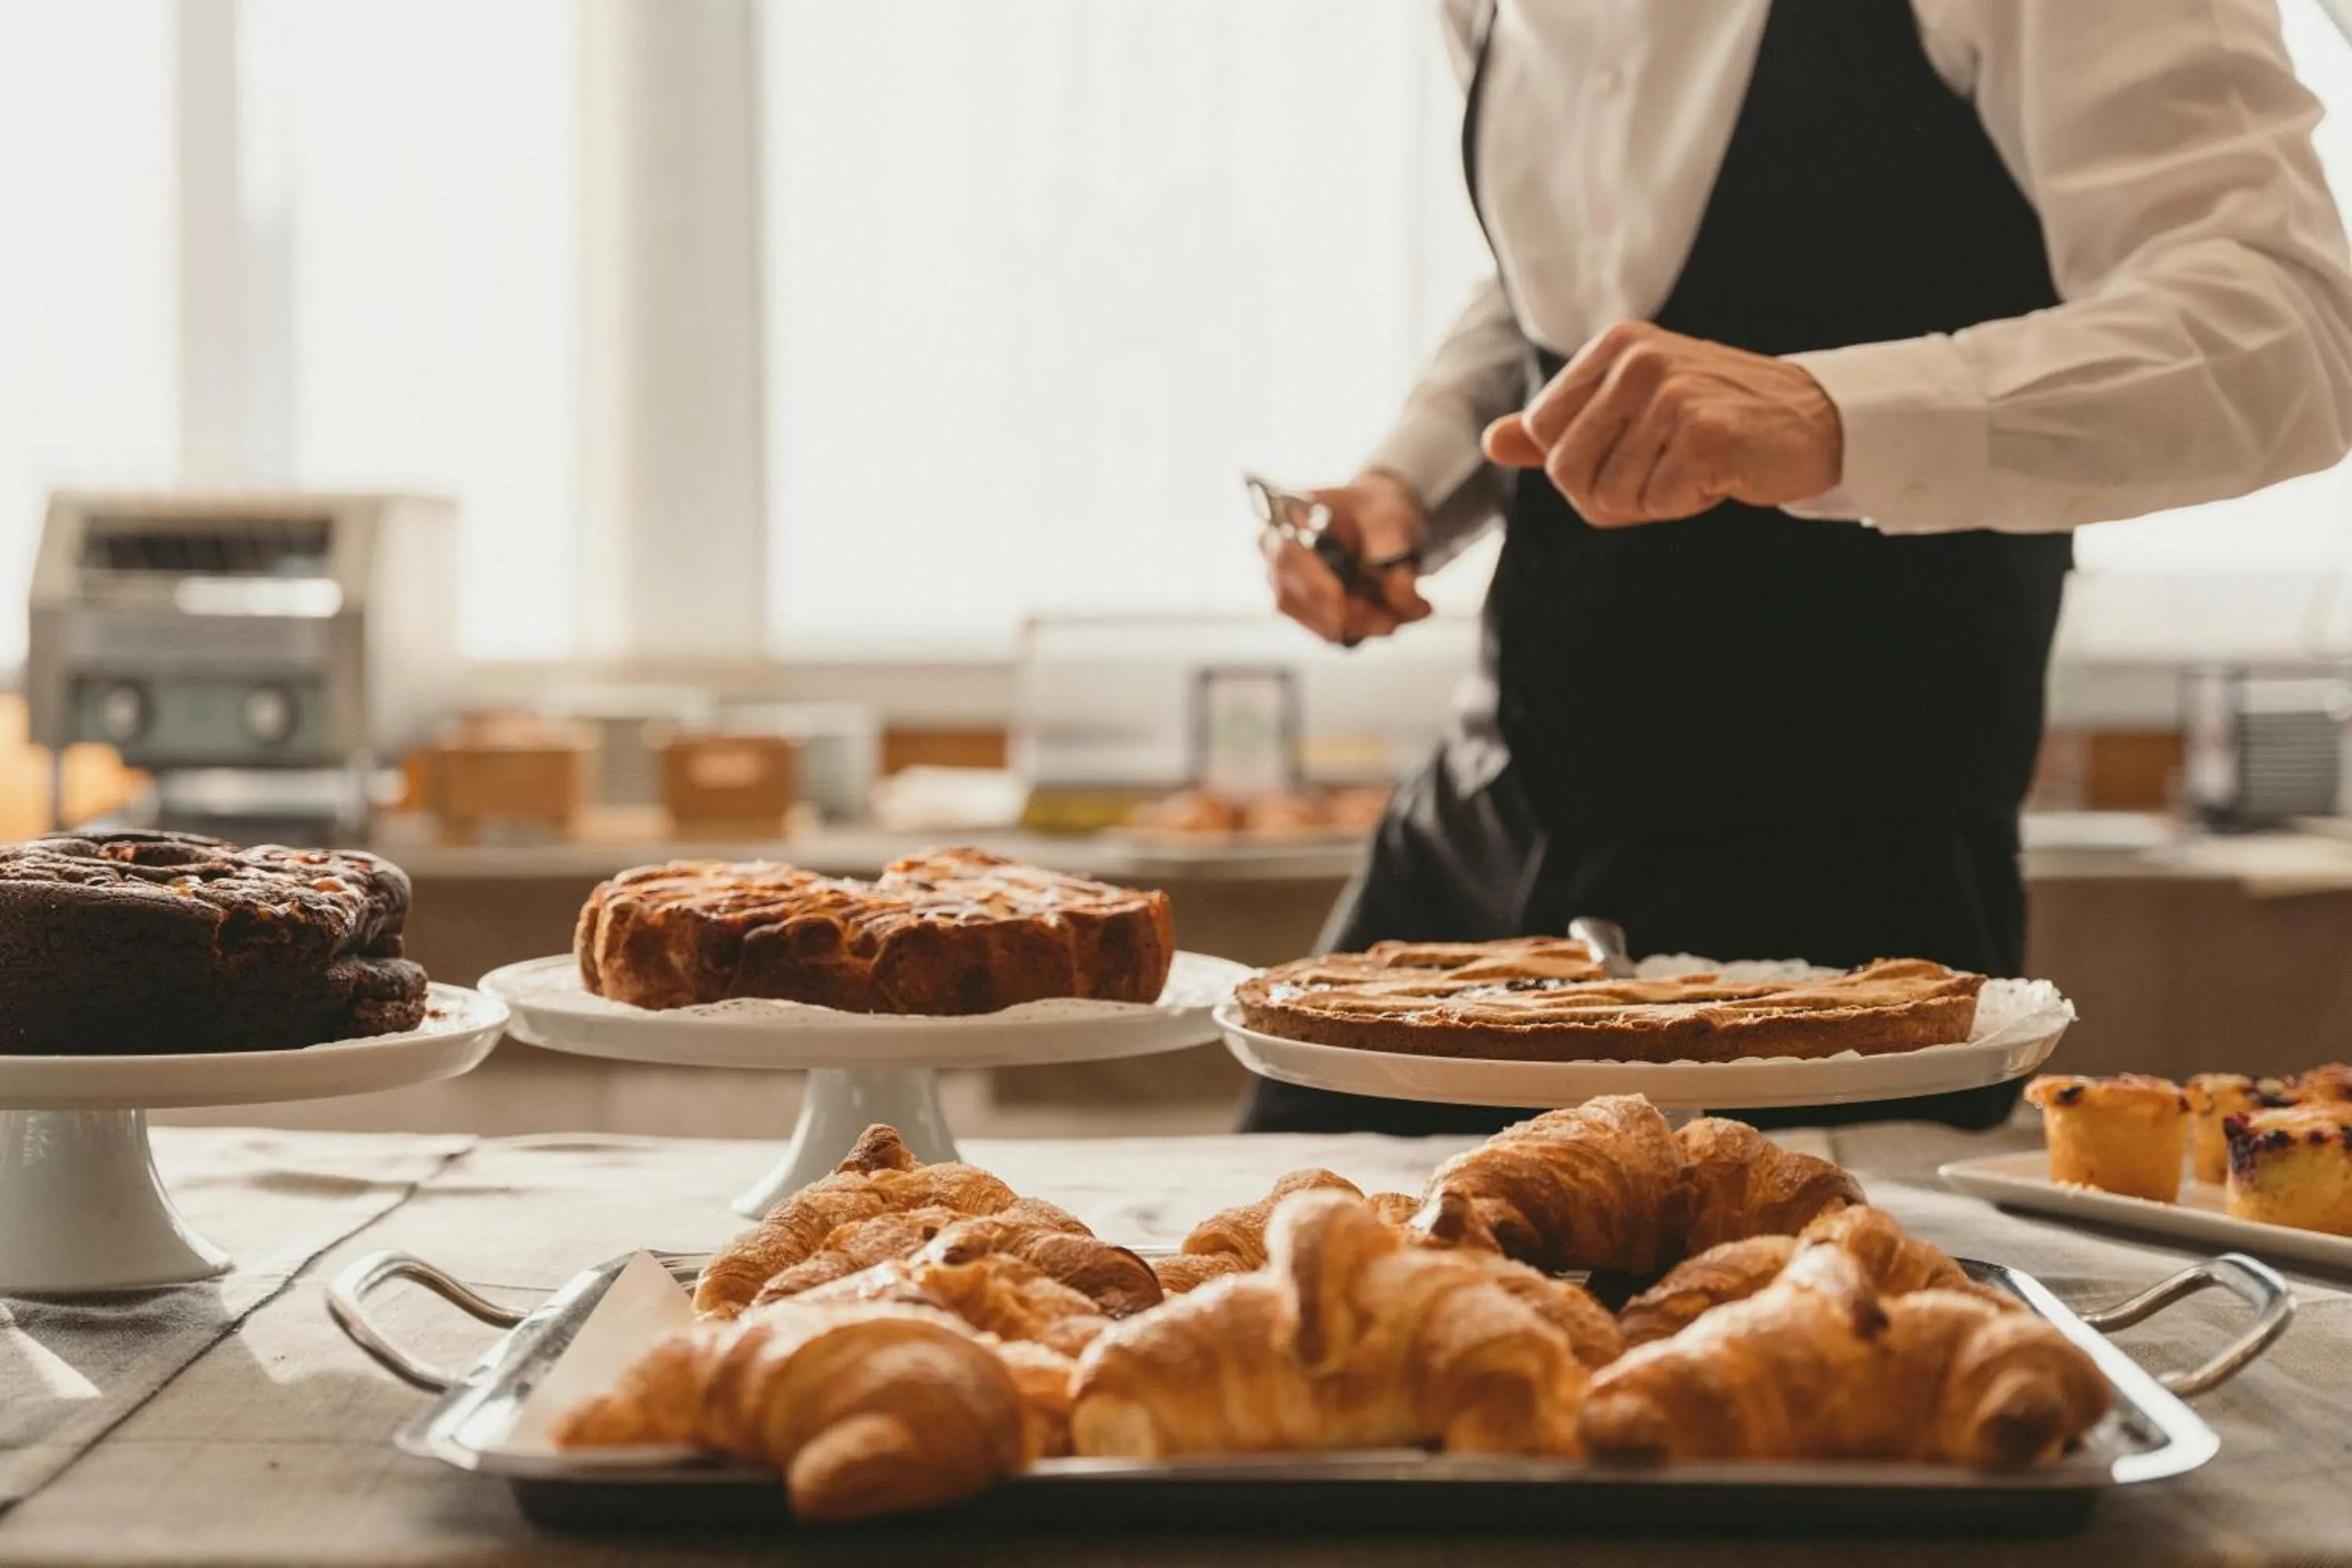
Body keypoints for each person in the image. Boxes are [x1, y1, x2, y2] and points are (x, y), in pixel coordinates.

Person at [1247, 0, 2352, 1135]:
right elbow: (1564, 285)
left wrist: (1835, 413)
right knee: (1255, 1283)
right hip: (1483, 820)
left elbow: (2286, 324)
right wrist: (1411, 480)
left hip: (1848, 884)